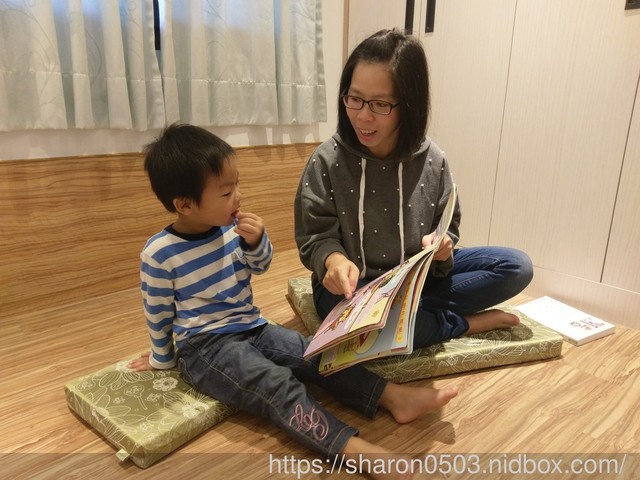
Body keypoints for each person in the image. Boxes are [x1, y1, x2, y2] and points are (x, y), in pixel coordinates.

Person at [129, 122, 459, 480]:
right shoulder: (160, 254)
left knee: (318, 353)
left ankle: (392, 396)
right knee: (275, 383)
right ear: (184, 204)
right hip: (204, 347)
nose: (238, 196)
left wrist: (256, 243)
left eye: (237, 184)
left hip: (252, 326)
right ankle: (353, 449)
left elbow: (260, 266)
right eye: (225, 192)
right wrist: (162, 358)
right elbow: (157, 311)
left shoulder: (232, 231)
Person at [294, 29, 534, 349]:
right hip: (352, 292)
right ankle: (459, 324)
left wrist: (443, 244)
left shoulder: (432, 159)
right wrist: (333, 260)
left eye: (380, 104)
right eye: (354, 99)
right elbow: (315, 235)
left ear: (409, 105)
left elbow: (447, 224)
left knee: (516, 267)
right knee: (361, 326)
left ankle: (409, 318)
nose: (363, 116)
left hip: (416, 282)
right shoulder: (327, 160)